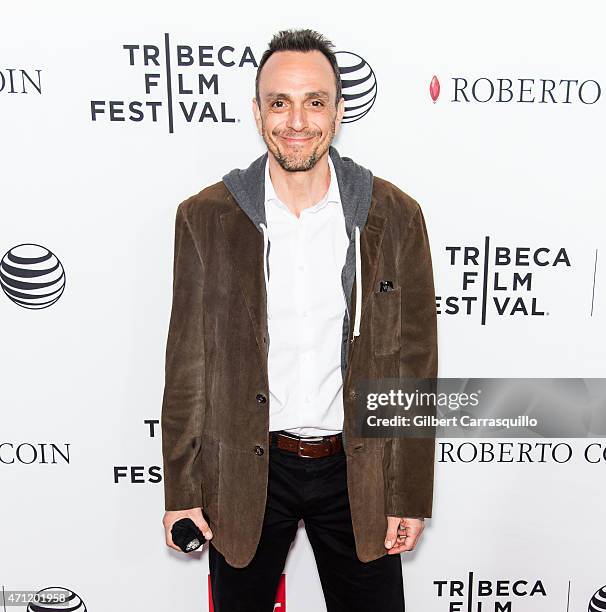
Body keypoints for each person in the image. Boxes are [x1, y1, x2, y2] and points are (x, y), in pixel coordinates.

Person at [161, 27, 438, 612]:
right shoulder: (205, 218)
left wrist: (408, 493)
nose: (296, 121)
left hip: (356, 470)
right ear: (257, 112)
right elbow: (187, 365)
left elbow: (416, 368)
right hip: (246, 467)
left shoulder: (394, 216)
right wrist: (181, 491)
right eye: (279, 102)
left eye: (315, 101)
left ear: (338, 112)